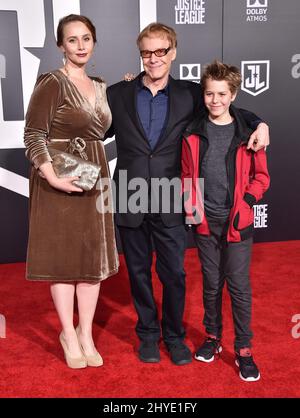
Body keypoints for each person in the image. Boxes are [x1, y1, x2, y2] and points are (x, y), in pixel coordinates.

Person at [106, 22, 270, 366]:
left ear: (173, 52)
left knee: (174, 274)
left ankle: (174, 336)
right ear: (140, 54)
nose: (154, 58)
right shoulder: (117, 94)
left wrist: (260, 124)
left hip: (172, 196)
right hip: (129, 194)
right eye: (147, 52)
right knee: (137, 271)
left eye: (161, 51)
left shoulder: (191, 94)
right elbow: (93, 128)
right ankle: (148, 334)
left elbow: (228, 110)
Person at [24, 14, 119, 369]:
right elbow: (33, 135)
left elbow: (106, 125)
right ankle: (67, 331)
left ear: (94, 43)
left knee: (90, 263)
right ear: (61, 45)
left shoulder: (101, 85)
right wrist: (51, 176)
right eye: (72, 40)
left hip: (94, 175)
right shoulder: (52, 82)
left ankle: (85, 332)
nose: (80, 46)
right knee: (65, 263)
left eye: (86, 39)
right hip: (58, 179)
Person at [181, 60, 270, 381]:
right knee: (211, 284)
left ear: (233, 94)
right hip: (205, 223)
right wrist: (192, 210)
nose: (215, 100)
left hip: (237, 224)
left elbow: (262, 178)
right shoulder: (192, 132)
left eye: (221, 94)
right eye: (209, 94)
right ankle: (213, 337)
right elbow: (187, 175)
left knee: (239, 288)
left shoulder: (249, 133)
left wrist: (246, 204)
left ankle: (244, 349)